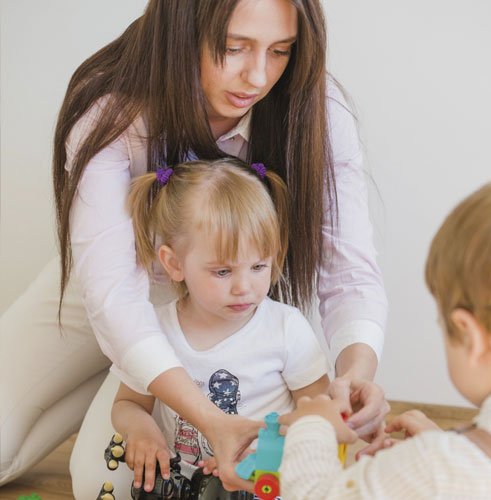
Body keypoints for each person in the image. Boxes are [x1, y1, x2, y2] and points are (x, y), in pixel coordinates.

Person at [0, 0, 388, 494]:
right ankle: (118, 377)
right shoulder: (112, 110)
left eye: (280, 51)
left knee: (106, 481)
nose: (257, 75)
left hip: (222, 303)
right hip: (113, 280)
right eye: (233, 47)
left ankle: (120, 381)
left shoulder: (318, 113)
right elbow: (112, 293)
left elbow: (349, 270)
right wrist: (202, 417)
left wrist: (355, 374)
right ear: (180, 30)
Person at [110, 158, 330, 494]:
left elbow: (319, 416)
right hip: (184, 483)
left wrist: (260, 456)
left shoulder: (286, 328)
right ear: (174, 263)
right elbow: (128, 404)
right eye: (223, 272)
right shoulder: (155, 330)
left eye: (258, 266)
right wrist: (141, 430)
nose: (244, 286)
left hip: (265, 483)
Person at [278, 180, 491, 499]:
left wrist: (313, 428)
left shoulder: (432, 468)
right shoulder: (444, 465)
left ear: (471, 335)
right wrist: (447, 444)